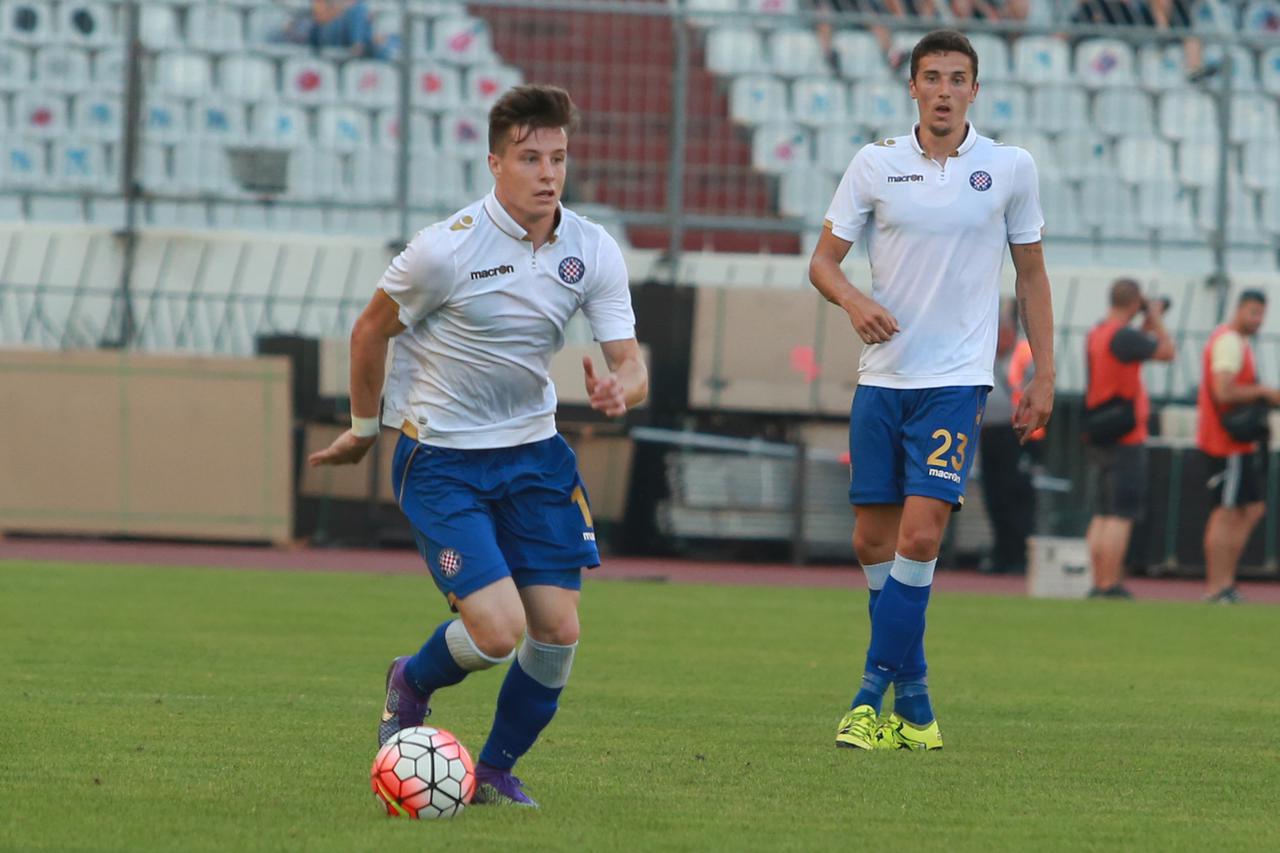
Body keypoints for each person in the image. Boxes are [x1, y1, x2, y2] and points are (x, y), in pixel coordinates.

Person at [308, 85, 648, 806]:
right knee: (497, 631)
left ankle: (493, 769)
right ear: (495, 163)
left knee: (557, 631)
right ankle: (414, 679)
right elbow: (370, 331)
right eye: (530, 158)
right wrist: (366, 430)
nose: (548, 172)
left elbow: (632, 361)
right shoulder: (444, 251)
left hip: (534, 455)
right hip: (442, 460)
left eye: (557, 157)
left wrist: (623, 386)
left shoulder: (590, 248)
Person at [808, 29, 1054, 751]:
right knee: (871, 541)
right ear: (912, 87)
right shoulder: (875, 163)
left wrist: (1046, 369)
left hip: (956, 380)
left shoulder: (1009, 168)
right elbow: (824, 262)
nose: (945, 90)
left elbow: (1032, 274)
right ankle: (915, 704)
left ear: (975, 90)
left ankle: (864, 698)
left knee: (921, 534)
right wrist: (854, 302)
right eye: (932, 77)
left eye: (957, 78)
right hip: (884, 379)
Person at [1081, 279, 1175, 599]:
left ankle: (1098, 580)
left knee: (1103, 511)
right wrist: (1158, 319)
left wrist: (1145, 321)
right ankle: (1110, 582)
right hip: (1126, 433)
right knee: (1121, 513)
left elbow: (1136, 347)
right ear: (1134, 302)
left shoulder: (1098, 333)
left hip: (1100, 427)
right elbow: (1166, 351)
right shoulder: (1123, 336)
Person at [1196, 290, 1279, 604]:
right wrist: (1265, 393)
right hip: (1226, 442)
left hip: (1238, 444)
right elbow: (1224, 391)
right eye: (1253, 313)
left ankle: (1225, 583)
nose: (1258, 320)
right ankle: (1217, 587)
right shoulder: (1229, 341)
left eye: (1261, 314)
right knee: (1225, 512)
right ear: (1239, 310)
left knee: (1251, 509)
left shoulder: (1236, 342)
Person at [979, 300, 1037, 574]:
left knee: (1015, 495)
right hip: (988, 433)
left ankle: (1018, 554)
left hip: (1015, 434)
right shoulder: (985, 354)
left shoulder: (1024, 353)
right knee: (994, 496)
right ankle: (1001, 551)